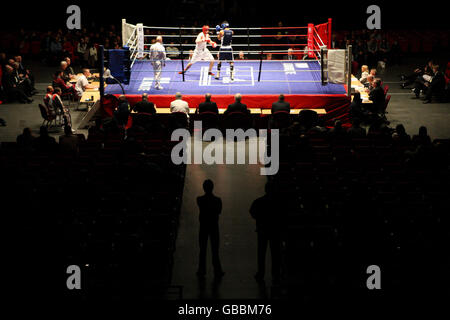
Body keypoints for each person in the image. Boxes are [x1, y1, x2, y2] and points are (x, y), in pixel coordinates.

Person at [250, 181, 282, 283]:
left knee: (261, 253)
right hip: (274, 231)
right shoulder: (278, 203)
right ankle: (275, 274)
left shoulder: (259, 201)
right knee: (275, 253)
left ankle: (261, 273)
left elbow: (252, 212)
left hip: (262, 230)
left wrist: (259, 220)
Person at [196, 179, 224, 278]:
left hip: (203, 226)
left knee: (202, 249)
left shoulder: (199, 200)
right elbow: (219, 211)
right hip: (213, 226)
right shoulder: (217, 200)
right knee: (215, 249)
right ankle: (217, 269)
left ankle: (201, 269)